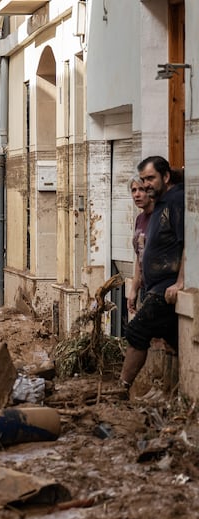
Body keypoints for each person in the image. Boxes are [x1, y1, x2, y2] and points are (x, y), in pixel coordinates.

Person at [120, 156, 184, 392]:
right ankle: (177, 392)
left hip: (166, 287)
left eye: (149, 179)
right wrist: (135, 288)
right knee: (175, 340)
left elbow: (187, 243)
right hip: (154, 287)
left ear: (165, 177)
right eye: (140, 183)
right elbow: (141, 257)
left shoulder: (175, 201)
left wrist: (181, 282)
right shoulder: (157, 208)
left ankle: (122, 387)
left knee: (137, 331)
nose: (143, 187)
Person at [127, 176, 155, 316]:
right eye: (133, 190)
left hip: (159, 289)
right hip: (144, 288)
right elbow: (140, 258)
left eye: (141, 190)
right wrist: (133, 289)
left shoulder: (161, 216)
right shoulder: (140, 219)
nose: (136, 194)